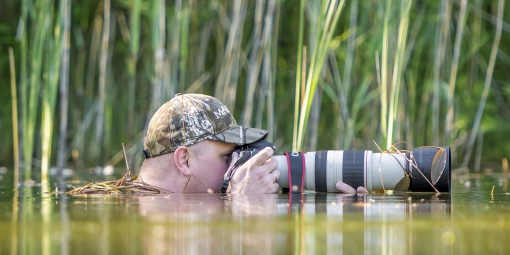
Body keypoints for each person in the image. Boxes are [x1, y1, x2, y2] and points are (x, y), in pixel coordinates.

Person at [138, 93, 366, 195]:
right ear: (184, 160)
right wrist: (242, 203)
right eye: (227, 157)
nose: (240, 164)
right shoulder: (137, 211)